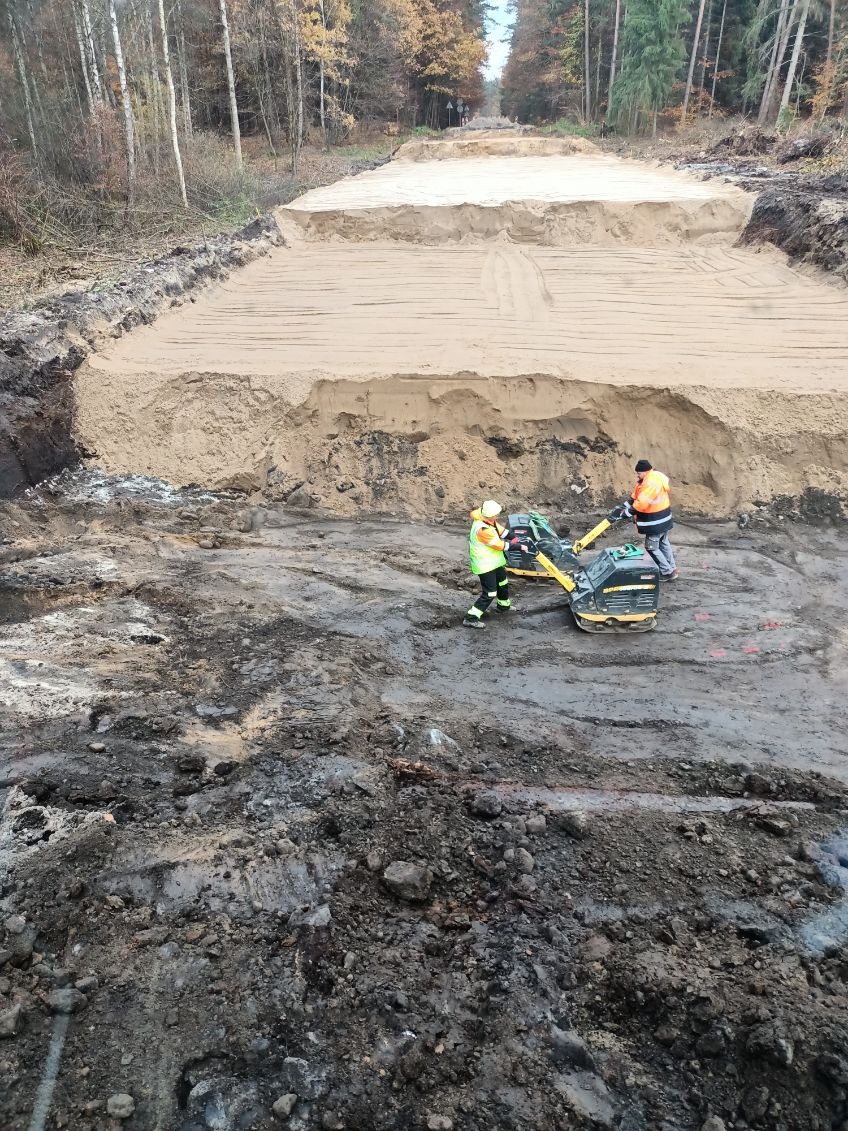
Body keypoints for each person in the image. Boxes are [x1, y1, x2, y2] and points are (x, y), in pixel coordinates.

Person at [617, 459, 679, 581]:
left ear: (644, 472)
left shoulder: (650, 483)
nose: (637, 475)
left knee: (652, 547)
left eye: (638, 473)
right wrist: (624, 506)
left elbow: (641, 503)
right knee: (663, 543)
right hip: (663, 520)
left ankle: (667, 572)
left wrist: (627, 513)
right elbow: (636, 495)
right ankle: (672, 568)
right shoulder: (653, 477)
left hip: (655, 521)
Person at [463, 500, 515, 628]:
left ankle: (503, 606)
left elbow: (501, 531)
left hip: (494, 562)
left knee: (502, 582)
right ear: (490, 515)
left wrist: (513, 537)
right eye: (495, 514)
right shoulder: (482, 529)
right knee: (490, 592)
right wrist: (518, 546)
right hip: (485, 565)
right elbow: (499, 545)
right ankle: (471, 618)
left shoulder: (488, 521)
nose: (497, 516)